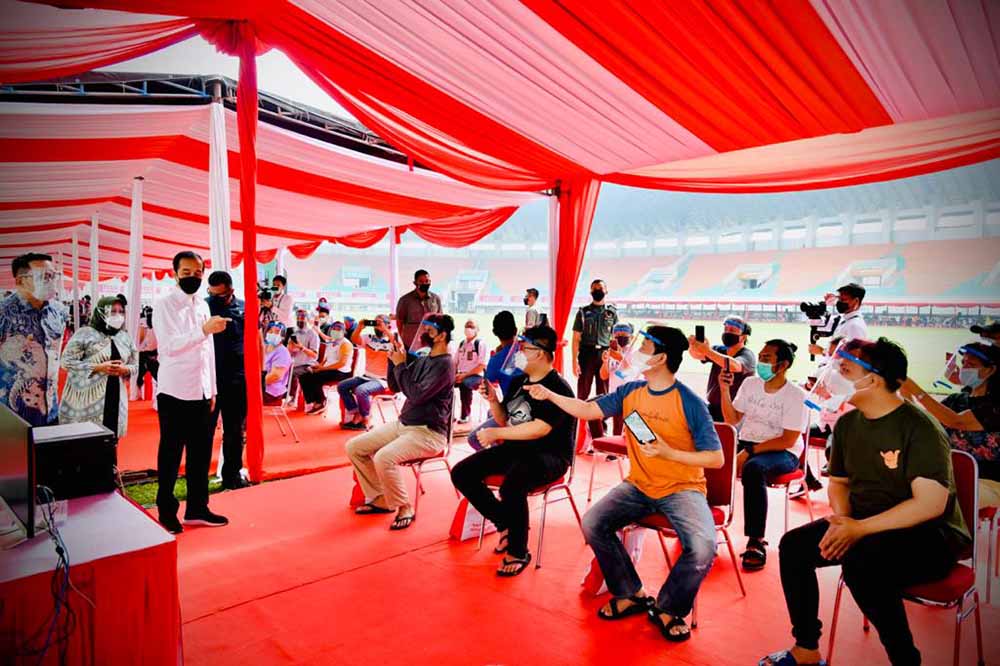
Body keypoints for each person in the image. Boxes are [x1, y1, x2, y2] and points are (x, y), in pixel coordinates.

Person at [760, 338, 970, 666]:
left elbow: (930, 504)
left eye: (843, 369)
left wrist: (858, 529)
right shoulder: (846, 425)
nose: (831, 378)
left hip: (931, 535)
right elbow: (840, 484)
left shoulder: (919, 427)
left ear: (871, 379)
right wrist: (843, 521)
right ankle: (806, 649)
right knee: (794, 547)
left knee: (861, 563)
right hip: (866, 524)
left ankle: (905, 659)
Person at [528, 325, 722, 643]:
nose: (636, 350)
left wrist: (668, 451)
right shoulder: (630, 392)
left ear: (660, 358)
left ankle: (669, 608)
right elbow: (588, 409)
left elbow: (715, 459)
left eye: (645, 345)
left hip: (681, 489)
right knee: (593, 523)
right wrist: (550, 394)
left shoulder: (690, 402)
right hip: (638, 486)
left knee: (702, 549)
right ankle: (630, 593)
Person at [450, 325, 575, 576]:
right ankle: (505, 522)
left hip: (549, 455)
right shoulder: (519, 381)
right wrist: (494, 400)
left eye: (523, 348)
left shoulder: (558, 387)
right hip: (517, 449)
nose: (518, 353)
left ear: (539, 353)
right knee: (462, 472)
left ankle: (519, 550)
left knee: (512, 485)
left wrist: (495, 434)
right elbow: (507, 420)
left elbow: (540, 429)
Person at [347, 313, 456, 530]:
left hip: (428, 433)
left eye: (429, 330)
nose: (423, 333)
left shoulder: (445, 364)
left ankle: (404, 506)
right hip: (404, 425)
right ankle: (380, 498)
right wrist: (393, 360)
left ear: (442, 335)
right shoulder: (425, 358)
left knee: (383, 458)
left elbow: (416, 395)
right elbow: (396, 386)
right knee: (354, 447)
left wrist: (400, 365)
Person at [154, 251, 231, 534]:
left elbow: (207, 350)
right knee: (171, 453)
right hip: (174, 390)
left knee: (200, 453)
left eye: (197, 272)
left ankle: (197, 507)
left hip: (201, 391)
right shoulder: (164, 304)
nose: (193, 277)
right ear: (175, 273)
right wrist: (203, 329)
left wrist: (211, 389)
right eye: (186, 272)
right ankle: (166, 510)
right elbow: (169, 346)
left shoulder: (202, 304)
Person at [718, 339, 807, 572]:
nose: (761, 363)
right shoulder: (750, 384)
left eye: (767, 359)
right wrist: (725, 389)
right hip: (750, 445)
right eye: (761, 357)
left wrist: (748, 452)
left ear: (783, 365)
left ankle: (756, 541)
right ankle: (705, 526)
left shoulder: (795, 395)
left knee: (753, 468)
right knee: (711, 460)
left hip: (782, 451)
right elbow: (732, 419)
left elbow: (788, 439)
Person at [901, 341, 1000, 509]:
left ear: (990, 370)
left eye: (971, 364)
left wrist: (916, 390)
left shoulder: (995, 406)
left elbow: (956, 421)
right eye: (963, 363)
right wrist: (904, 391)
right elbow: (924, 424)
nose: (964, 368)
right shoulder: (956, 400)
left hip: (989, 483)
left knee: (939, 501)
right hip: (949, 478)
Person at [0, 253, 67, 425]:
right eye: (44, 276)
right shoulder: (4, 313)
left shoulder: (58, 311)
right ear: (20, 281)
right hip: (12, 416)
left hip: (50, 408)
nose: (51, 280)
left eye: (53, 275)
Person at [59, 295, 137, 437]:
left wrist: (125, 369)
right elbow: (66, 361)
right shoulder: (85, 333)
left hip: (115, 394)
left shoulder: (124, 337)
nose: (118, 315)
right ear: (101, 311)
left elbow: (134, 364)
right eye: (113, 311)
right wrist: (97, 367)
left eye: (121, 311)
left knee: (111, 436)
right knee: (89, 439)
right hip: (87, 397)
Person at [206, 271, 249, 490]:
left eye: (220, 295)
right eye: (211, 294)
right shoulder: (204, 307)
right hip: (210, 379)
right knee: (204, 431)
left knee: (234, 431)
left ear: (231, 290)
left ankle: (232, 475)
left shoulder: (244, 307)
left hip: (237, 379)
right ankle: (199, 476)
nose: (215, 298)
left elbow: (254, 339)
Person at [572, 279, 618, 440]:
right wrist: (574, 361)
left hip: (604, 356)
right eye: (594, 289)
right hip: (586, 354)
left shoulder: (612, 313)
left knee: (603, 394)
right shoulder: (583, 312)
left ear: (606, 291)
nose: (597, 291)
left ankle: (601, 430)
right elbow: (576, 338)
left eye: (600, 288)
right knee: (582, 392)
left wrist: (614, 357)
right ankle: (578, 430)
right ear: (591, 291)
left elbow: (615, 337)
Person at [687, 314, 756, 422]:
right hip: (713, 408)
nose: (727, 333)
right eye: (726, 329)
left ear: (743, 337)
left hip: (734, 412)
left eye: (732, 330)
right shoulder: (719, 350)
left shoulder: (747, 355)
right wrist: (693, 346)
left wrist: (707, 351)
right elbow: (698, 355)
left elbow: (734, 366)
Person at [470, 310, 521, 450]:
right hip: (521, 407)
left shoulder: (496, 360)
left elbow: (490, 382)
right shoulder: (525, 351)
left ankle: (497, 457)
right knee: (490, 413)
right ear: (516, 330)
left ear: (495, 333)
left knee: (474, 438)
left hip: (513, 412)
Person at [340, 315, 394, 431]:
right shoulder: (369, 338)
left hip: (383, 380)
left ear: (388, 325)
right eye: (376, 323)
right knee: (342, 386)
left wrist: (385, 330)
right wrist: (359, 327)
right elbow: (354, 340)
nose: (377, 326)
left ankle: (366, 417)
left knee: (361, 391)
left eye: (380, 324)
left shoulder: (392, 339)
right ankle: (357, 413)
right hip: (366, 376)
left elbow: (399, 346)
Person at [302, 320, 354, 414]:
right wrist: (319, 366)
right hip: (329, 369)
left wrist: (322, 369)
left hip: (341, 372)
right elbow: (327, 358)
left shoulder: (345, 344)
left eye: (338, 329)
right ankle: (314, 401)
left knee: (315, 377)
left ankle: (320, 402)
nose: (336, 331)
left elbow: (342, 363)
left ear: (343, 331)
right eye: (334, 329)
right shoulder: (331, 341)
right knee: (304, 375)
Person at [807, 283, 868, 358]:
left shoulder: (855, 326)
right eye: (839, 298)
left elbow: (853, 357)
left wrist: (822, 351)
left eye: (843, 299)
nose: (839, 302)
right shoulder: (846, 319)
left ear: (856, 301)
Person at [600, 322, 636, 436]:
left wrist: (621, 358)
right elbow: (604, 375)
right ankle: (615, 451)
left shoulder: (635, 353)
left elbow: (631, 373)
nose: (620, 338)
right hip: (615, 395)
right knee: (617, 428)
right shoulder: (611, 352)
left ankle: (647, 450)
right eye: (617, 335)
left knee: (638, 430)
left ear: (631, 337)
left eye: (624, 335)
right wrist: (605, 362)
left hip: (632, 396)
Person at [395, 269, 442, 347]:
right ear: (415, 283)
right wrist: (404, 339)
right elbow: (399, 322)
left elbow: (440, 319)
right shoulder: (405, 300)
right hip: (410, 343)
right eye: (421, 281)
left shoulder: (435, 299)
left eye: (427, 281)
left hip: (430, 343)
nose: (424, 283)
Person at [454, 319, 487, 424]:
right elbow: (455, 362)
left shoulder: (480, 344)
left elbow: (482, 365)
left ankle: (465, 415)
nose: (468, 329)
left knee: (465, 383)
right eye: (467, 326)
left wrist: (464, 376)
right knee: (444, 383)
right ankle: (448, 414)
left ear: (477, 329)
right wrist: (455, 375)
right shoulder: (462, 344)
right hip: (461, 374)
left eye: (471, 327)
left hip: (476, 376)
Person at [287, 308, 320, 404]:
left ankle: (294, 397)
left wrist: (302, 348)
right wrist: (290, 347)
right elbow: (290, 351)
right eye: (298, 317)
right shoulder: (294, 333)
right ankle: (279, 396)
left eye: (302, 318)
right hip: (294, 362)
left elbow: (315, 355)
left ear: (307, 319)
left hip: (307, 364)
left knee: (293, 372)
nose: (300, 320)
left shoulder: (313, 334)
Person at [262, 322, 293, 405]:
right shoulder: (264, 347)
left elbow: (275, 376)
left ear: (282, 336)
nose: (272, 334)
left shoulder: (282, 352)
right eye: (270, 331)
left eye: (276, 332)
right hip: (261, 387)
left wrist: (253, 384)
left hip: (270, 392)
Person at [136, 305, 159, 393]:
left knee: (140, 376)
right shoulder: (153, 323)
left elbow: (141, 338)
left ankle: (138, 392)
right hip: (148, 353)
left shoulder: (145, 323)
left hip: (147, 353)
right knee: (140, 376)